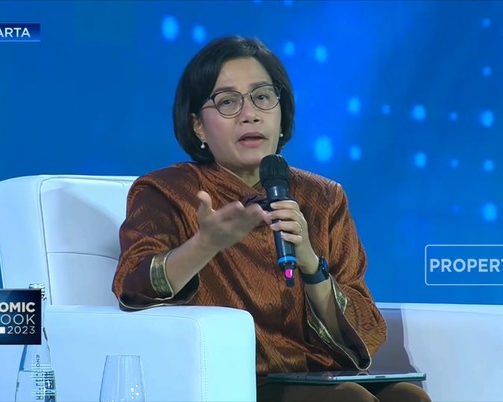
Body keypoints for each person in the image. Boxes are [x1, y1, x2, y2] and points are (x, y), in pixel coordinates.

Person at [112, 35, 431, 402]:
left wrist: (310, 263)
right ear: (198, 125)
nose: (250, 114)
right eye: (227, 102)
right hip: (230, 382)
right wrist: (204, 245)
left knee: (408, 397)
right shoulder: (166, 191)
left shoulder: (323, 197)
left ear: (282, 113)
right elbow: (133, 286)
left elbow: (366, 332)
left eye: (262, 97)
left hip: (317, 376)